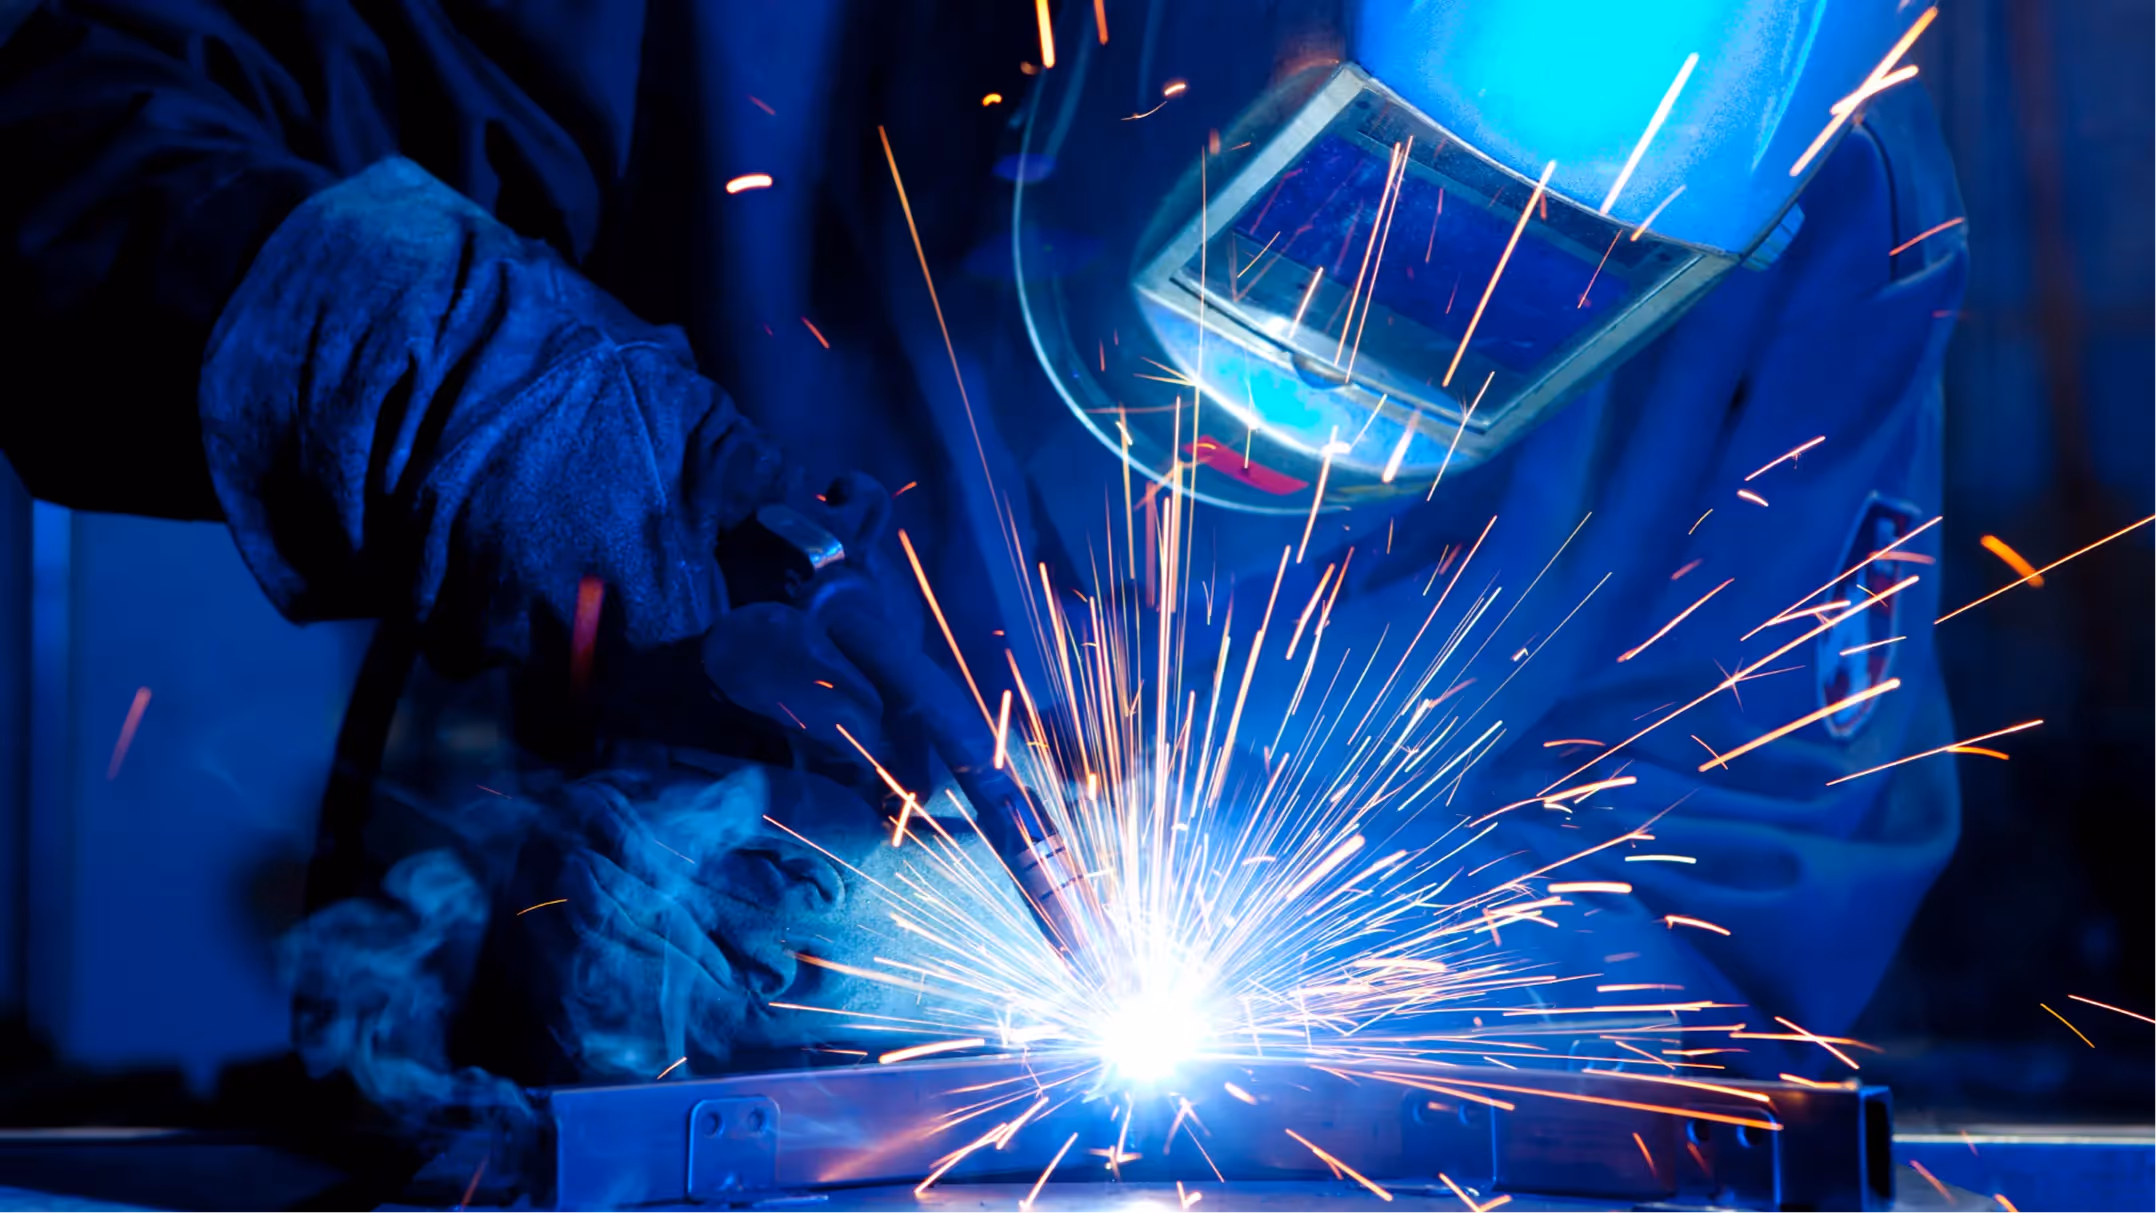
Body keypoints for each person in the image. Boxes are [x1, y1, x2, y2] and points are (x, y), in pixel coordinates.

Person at [0, 0, 1966, 1145]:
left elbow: (1724, 949)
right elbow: (57, 133)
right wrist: (454, 375)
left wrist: (1299, 1025)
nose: (1349, 358)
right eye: (1337, 219)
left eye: (1531, 288)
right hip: (564, 1131)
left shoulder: (1829, 231)